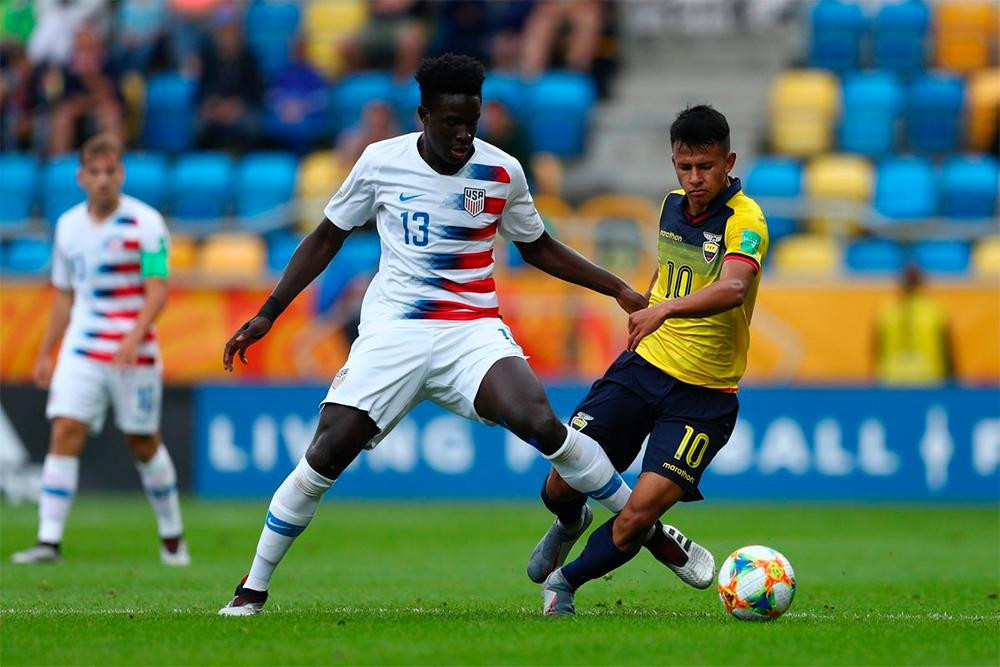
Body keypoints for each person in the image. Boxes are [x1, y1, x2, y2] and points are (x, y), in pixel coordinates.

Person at [217, 53, 646, 616]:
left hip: (470, 331)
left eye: (473, 121)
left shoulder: (502, 171)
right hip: (394, 331)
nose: (464, 135)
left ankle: (650, 532)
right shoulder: (380, 163)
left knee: (542, 421)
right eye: (451, 123)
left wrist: (616, 288)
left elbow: (536, 246)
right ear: (423, 116)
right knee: (323, 456)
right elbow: (326, 236)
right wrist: (270, 311)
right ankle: (252, 588)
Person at [533, 105, 770, 616]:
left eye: (705, 167)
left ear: (728, 162)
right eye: (684, 167)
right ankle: (570, 524)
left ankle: (564, 584)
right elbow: (670, 276)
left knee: (634, 515)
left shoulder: (745, 220)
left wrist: (663, 310)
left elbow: (732, 288)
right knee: (558, 486)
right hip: (642, 370)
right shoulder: (670, 206)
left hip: (704, 396)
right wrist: (648, 302)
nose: (694, 178)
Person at [11, 133, 188, 566]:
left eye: (112, 172)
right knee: (64, 429)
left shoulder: (145, 223)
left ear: (121, 174)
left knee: (142, 442)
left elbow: (158, 289)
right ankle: (48, 541)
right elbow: (63, 295)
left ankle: (172, 536)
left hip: (135, 350)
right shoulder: (67, 226)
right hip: (83, 347)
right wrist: (45, 351)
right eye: (96, 172)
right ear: (81, 177)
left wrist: (134, 334)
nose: (104, 180)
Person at [873, 264, 953, 385]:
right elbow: (948, 349)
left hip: (893, 379)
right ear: (921, 282)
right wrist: (952, 380)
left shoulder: (886, 310)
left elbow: (877, 348)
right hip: (929, 379)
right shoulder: (935, 310)